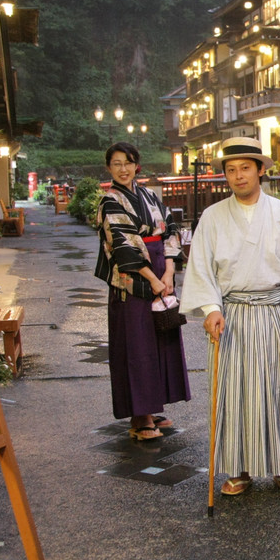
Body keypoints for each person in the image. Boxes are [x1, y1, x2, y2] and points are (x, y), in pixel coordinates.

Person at [180, 137, 280, 496]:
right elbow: (201, 267)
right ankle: (237, 468)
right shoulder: (213, 217)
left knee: (278, 390)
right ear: (225, 175)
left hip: (274, 313)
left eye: (245, 168)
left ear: (260, 170)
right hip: (231, 314)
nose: (238, 176)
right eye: (231, 170)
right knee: (233, 393)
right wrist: (210, 309)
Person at [95, 142, 191, 441]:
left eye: (128, 162)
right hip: (133, 280)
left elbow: (171, 228)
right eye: (116, 163)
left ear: (137, 165)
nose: (123, 169)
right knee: (136, 348)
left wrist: (170, 272)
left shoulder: (149, 195)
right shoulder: (110, 201)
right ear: (109, 168)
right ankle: (140, 417)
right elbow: (124, 245)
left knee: (159, 343)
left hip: (161, 272)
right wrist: (152, 278)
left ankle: (153, 406)